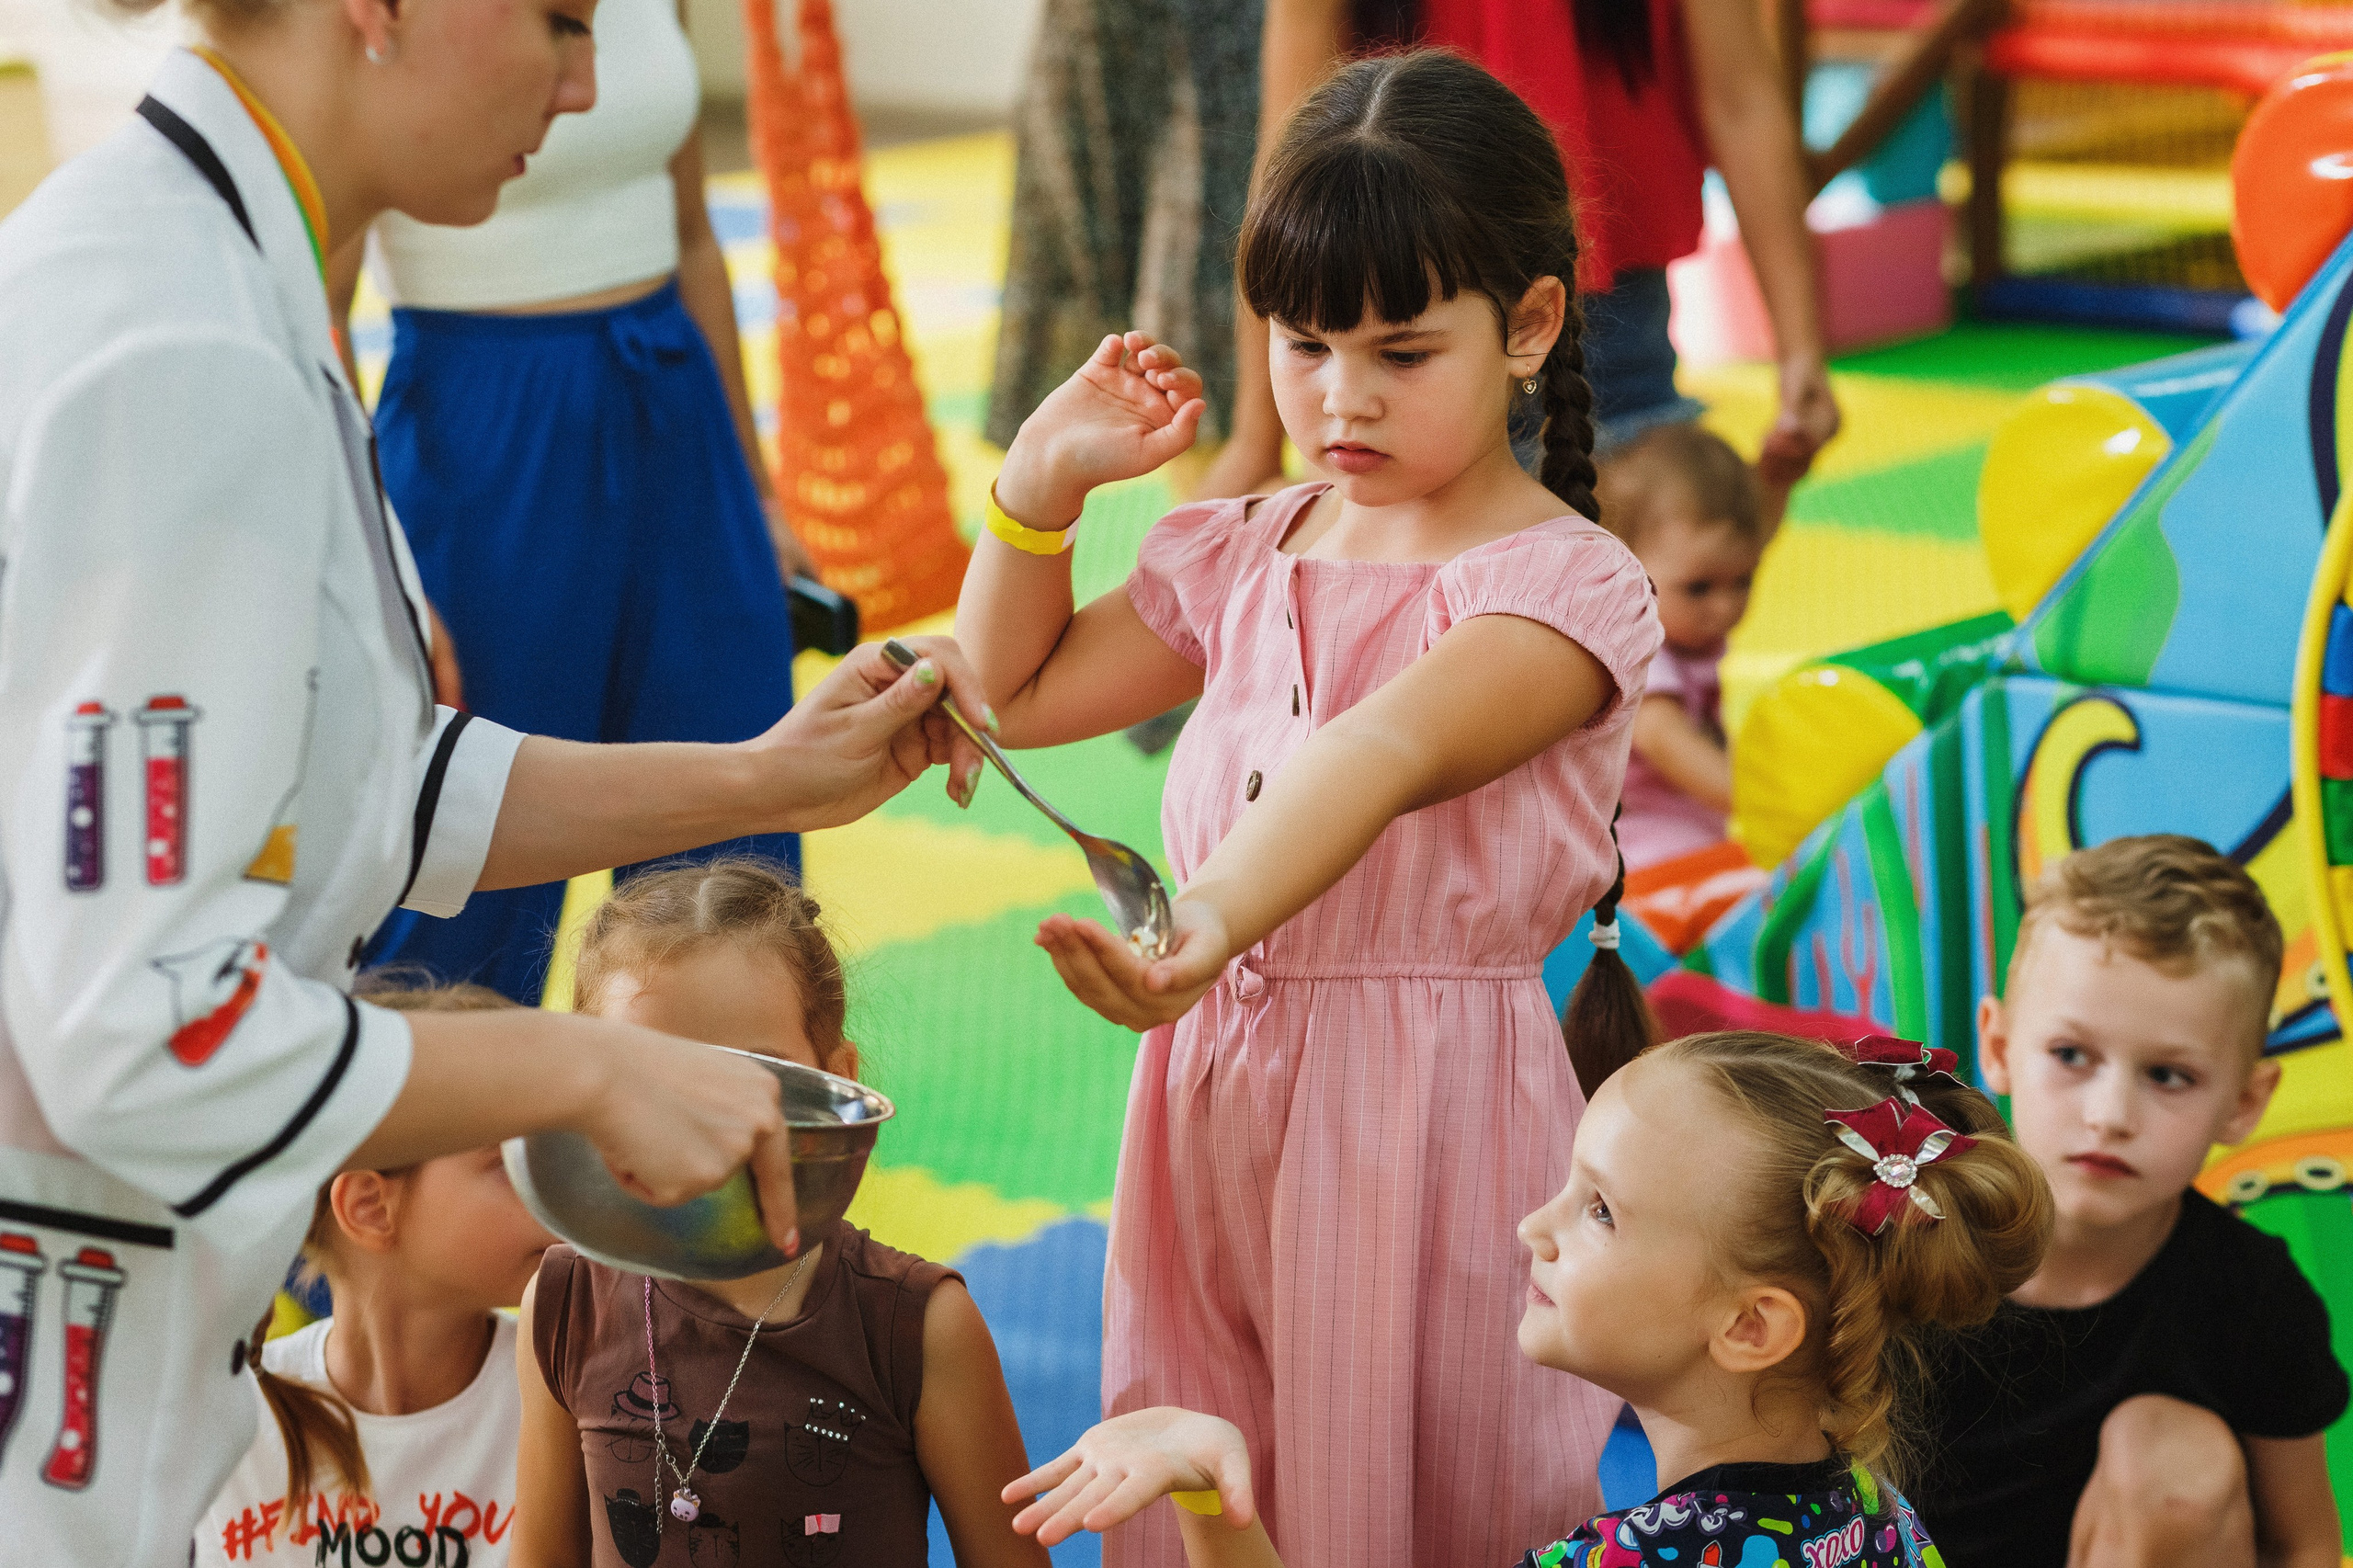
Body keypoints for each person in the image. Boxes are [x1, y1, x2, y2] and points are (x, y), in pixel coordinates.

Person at [0, 6, 988, 1559]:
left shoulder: (227, 278)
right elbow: (139, 1025)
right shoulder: (182, 339)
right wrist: (588, 1072)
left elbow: (373, 791)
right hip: (65, 1349)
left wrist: (758, 770)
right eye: (557, 20)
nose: (587, 82)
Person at [952, 50, 1664, 1568]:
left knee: (1410, 1499)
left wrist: (1201, 922)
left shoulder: (1565, 587)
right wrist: (1037, 493)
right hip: (1211, 1096)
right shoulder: (1248, 548)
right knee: (1211, 1471)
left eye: (1402, 351)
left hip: (1424, 1119)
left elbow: (1382, 748)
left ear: (1530, 324)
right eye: (1304, 342)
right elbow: (1006, 688)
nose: (1342, 397)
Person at [996, 1029, 2053, 1568]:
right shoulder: (1879, 1519)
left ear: (1748, 1324)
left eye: (1598, 1210)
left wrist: (1204, 1492)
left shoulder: (1630, 1560)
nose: (1532, 1226)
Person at [350, 0, 818, 1006]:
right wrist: (363, 550)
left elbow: (693, 236)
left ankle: (723, 1147)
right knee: (462, 877)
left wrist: (758, 491)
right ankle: (426, 1158)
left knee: (736, 858)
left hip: (678, 418)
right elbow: (319, 302)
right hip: (480, 438)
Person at [512, 858, 1049, 1568]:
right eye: (648, 1074)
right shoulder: (565, 1305)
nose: (698, 1124)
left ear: (838, 1084)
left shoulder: (916, 1327)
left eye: (748, 1077)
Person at [1198, 0, 1842, 501]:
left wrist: (1801, 350)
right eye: (1304, 347)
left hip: (1602, 313)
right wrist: (1257, 436)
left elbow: (1743, 101)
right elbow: (1293, 149)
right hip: (1389, 305)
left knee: (1658, 602)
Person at [1911, 835, 2347, 1566]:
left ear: (2244, 1103)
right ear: (1998, 1045)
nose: (2111, 1115)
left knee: (2171, 1453)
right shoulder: (1909, 1240)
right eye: (2072, 1056)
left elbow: (2306, 1544)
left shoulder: (2251, 1296)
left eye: (2169, 1075)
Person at [194, 979, 548, 1567]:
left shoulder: (568, 1401)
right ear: (369, 1207)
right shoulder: (227, 1422)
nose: (554, 1191)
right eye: (509, 1163)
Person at [1592, 423, 1764, 872]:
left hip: (1684, 826)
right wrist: (1765, 799)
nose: (1725, 608)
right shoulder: (1637, 646)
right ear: (1623, 569)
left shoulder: (1684, 626)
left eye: (1743, 581)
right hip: (1637, 846)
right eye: (1699, 588)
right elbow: (1661, 736)